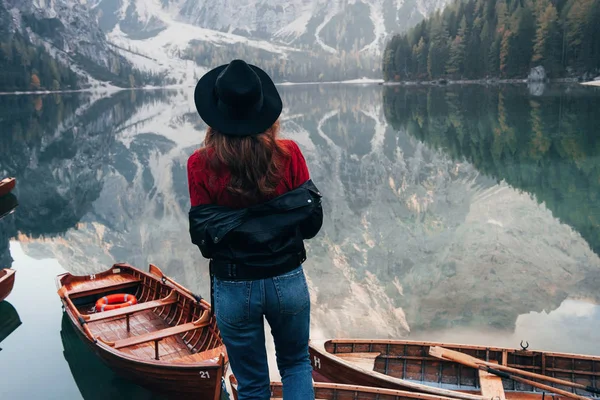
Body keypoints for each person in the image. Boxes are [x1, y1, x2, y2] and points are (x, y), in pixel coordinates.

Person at [187, 59, 323, 400]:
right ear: (263, 110)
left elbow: (206, 240)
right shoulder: (289, 154)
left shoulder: (199, 164)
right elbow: (310, 224)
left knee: (251, 386)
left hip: (234, 287)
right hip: (287, 279)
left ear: (217, 114)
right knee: (295, 365)